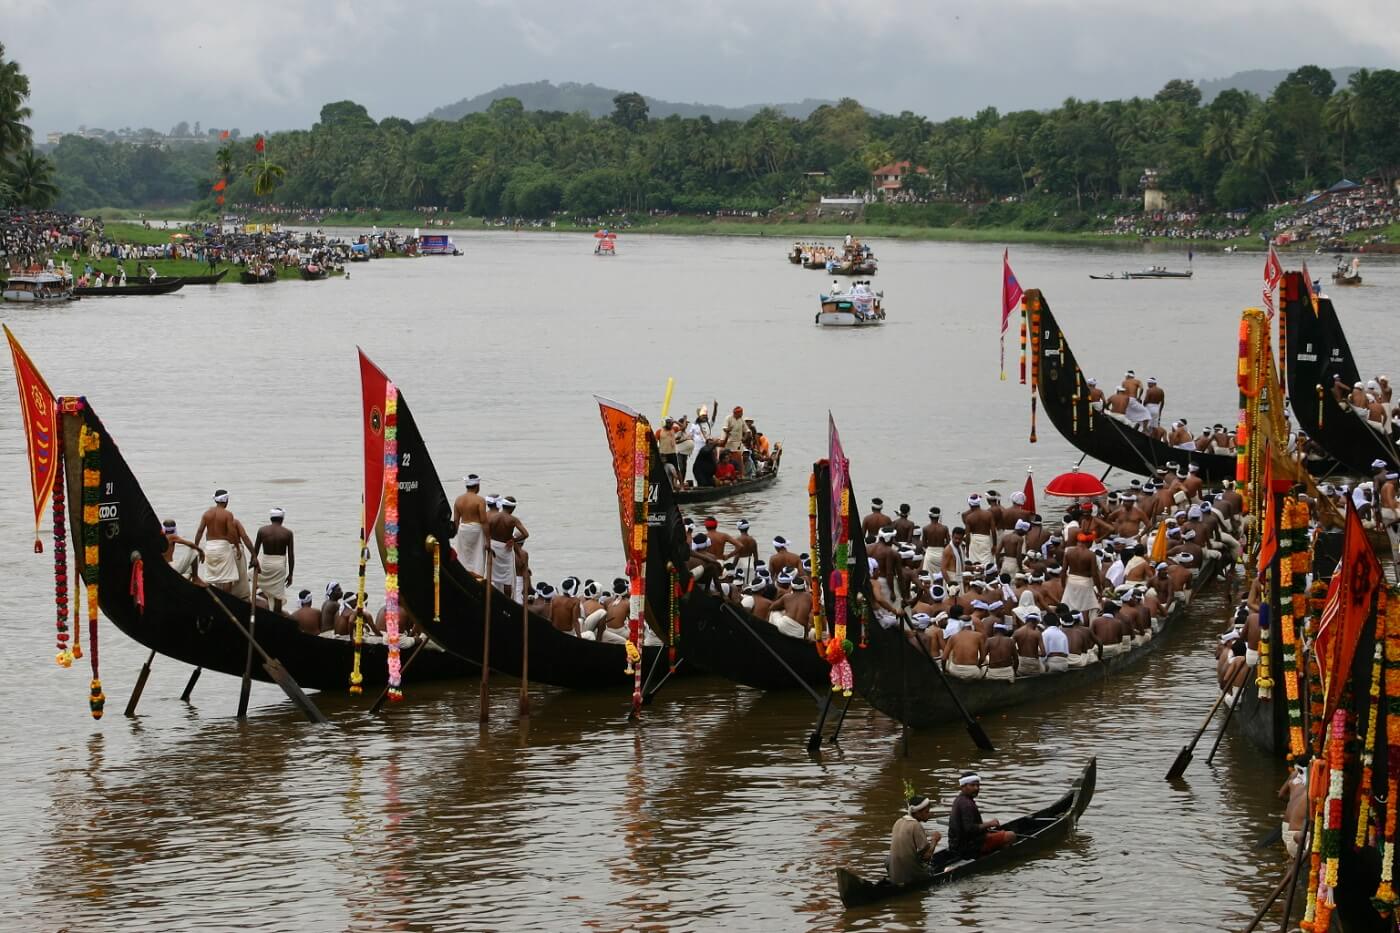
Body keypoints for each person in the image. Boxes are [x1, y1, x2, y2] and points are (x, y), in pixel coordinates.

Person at [193, 489, 254, 594]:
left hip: (209, 546)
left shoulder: (207, 514)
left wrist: (196, 548)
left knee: (211, 576)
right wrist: (237, 547)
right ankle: (227, 599)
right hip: (223, 546)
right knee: (228, 577)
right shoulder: (227, 514)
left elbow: (199, 532)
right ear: (226, 501)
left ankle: (211, 597)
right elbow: (232, 532)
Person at [947, 772, 1016, 859]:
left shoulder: (960, 799)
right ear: (963, 786)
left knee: (996, 832)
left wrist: (984, 828)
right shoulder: (966, 804)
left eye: (978, 785)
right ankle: (1000, 859)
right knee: (1011, 835)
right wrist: (989, 824)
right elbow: (969, 829)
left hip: (957, 845)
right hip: (967, 847)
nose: (976, 788)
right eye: (972, 785)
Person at [888, 795, 942, 885]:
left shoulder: (898, 821)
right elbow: (926, 857)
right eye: (927, 812)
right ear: (917, 813)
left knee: (888, 860)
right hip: (910, 875)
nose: (929, 814)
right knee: (930, 870)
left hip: (895, 874)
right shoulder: (915, 825)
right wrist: (934, 841)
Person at [250, 507, 295, 614]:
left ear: (271, 518)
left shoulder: (262, 530)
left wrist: (252, 563)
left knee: (256, 583)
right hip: (280, 565)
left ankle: (255, 608)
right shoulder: (288, 533)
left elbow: (255, 551)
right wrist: (290, 574)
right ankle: (276, 616)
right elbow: (291, 555)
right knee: (278, 595)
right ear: (282, 519)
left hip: (265, 564)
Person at [488, 495, 528, 601]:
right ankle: (507, 600)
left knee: (492, 574)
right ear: (512, 508)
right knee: (507, 578)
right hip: (505, 548)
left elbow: (486, 531)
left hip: (493, 546)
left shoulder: (493, 517)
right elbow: (525, 534)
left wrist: (488, 543)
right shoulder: (513, 520)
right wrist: (513, 540)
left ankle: (492, 597)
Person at [452, 474, 488, 575]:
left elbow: (456, 521)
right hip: (476, 530)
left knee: (463, 556)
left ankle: (462, 575)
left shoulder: (458, 500)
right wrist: (488, 540)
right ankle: (477, 577)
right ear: (477, 486)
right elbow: (484, 521)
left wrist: (456, 534)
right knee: (478, 557)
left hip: (463, 529)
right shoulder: (480, 500)